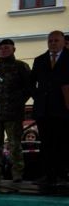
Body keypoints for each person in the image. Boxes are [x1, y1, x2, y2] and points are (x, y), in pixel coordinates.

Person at [0, 39, 31, 183]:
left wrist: (18, 102)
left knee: (14, 144)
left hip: (13, 113)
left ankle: (17, 173)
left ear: (13, 49)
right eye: (1, 48)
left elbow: (29, 87)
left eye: (7, 48)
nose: (3, 50)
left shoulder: (21, 66)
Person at [30, 30, 69, 185]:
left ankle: (62, 175)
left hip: (64, 109)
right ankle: (47, 175)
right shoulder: (39, 60)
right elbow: (31, 82)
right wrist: (37, 97)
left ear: (63, 42)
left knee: (63, 142)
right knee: (46, 143)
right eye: (50, 41)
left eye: (56, 40)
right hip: (43, 109)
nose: (53, 43)